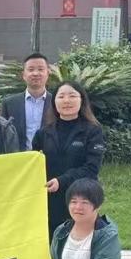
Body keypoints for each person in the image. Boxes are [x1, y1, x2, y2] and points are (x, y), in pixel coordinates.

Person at [34, 80, 107, 238]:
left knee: (78, 243)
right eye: (61, 96)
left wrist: (61, 181)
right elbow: (32, 164)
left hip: (81, 199)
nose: (66, 100)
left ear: (82, 100)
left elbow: (91, 168)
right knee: (52, 243)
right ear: (54, 102)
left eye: (72, 96)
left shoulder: (93, 131)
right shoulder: (43, 133)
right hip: (49, 200)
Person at [2, 53, 52, 151]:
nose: (35, 73)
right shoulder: (9, 103)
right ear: (23, 75)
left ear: (48, 73)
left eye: (40, 69)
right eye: (31, 69)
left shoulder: (56, 102)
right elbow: (3, 135)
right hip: (19, 158)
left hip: (49, 158)